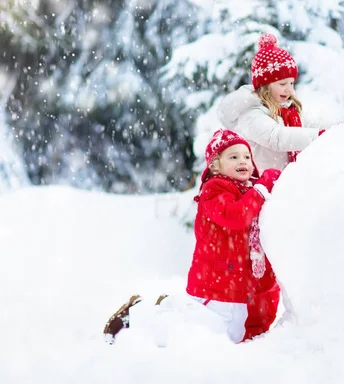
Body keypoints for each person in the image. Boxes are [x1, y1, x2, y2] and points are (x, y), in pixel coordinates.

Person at [104, 129, 281, 345]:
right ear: (215, 166)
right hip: (216, 288)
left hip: (237, 289)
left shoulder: (248, 191)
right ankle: (139, 316)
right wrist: (263, 187)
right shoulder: (214, 190)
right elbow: (236, 216)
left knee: (235, 335)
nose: (242, 161)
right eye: (233, 157)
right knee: (196, 335)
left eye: (246, 156)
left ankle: (168, 306)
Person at [218, 32, 326, 173]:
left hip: (284, 183)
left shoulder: (288, 109)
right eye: (282, 84)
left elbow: (311, 124)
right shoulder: (251, 114)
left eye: (291, 83)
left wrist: (336, 129)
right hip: (261, 186)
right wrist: (318, 135)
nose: (289, 90)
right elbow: (277, 137)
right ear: (265, 85)